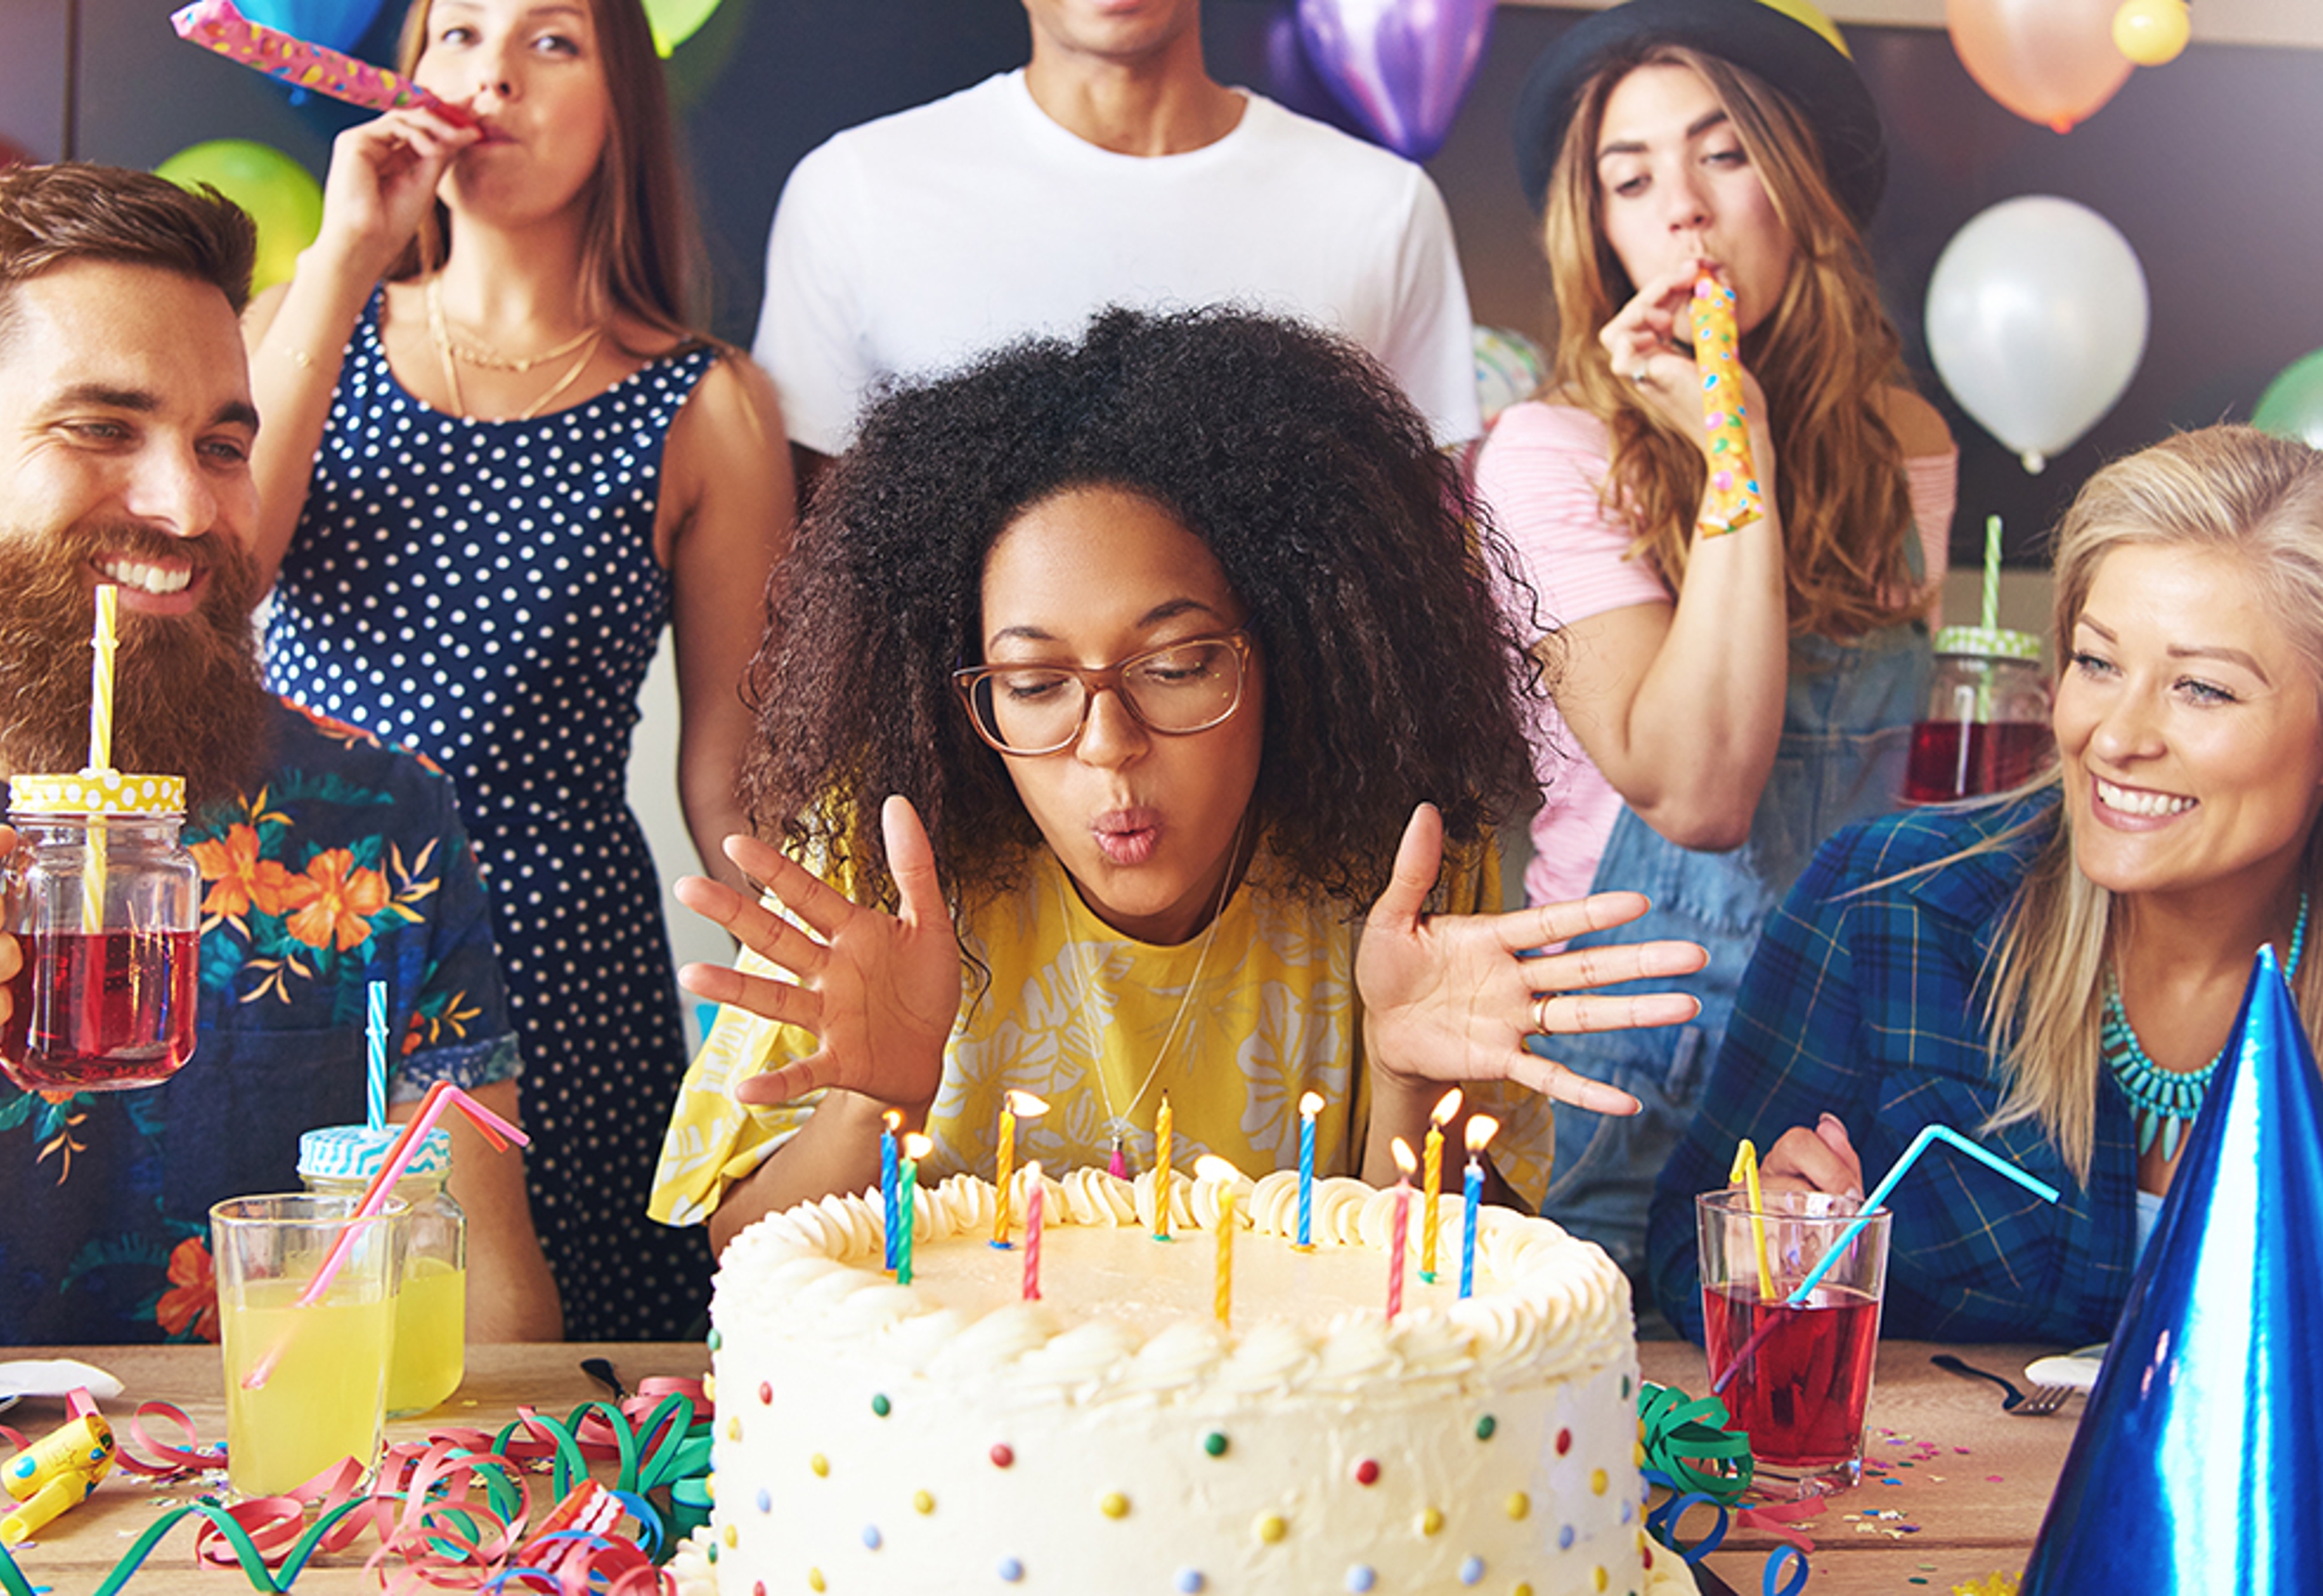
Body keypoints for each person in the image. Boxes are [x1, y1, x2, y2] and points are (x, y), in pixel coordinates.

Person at [650, 307, 1707, 1252]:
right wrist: (872, 1106)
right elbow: (739, 1255)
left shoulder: (1404, 860)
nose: (1107, 743)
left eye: (1176, 666)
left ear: (1290, 650)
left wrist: (1411, 1085)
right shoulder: (883, 852)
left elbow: (1442, 1314)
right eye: (1033, 684)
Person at [0, 163, 560, 1346]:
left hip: (260, 1517)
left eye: (221, 446)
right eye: (102, 428)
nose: (188, 509)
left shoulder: (377, 822)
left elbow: (490, 1305)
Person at [1643, 426, 2323, 1345]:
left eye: (2201, 689)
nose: (2114, 737)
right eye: (2097, 662)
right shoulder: (1886, 902)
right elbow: (1685, 1252)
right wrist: (1772, 1253)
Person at [243, 0, 796, 1339]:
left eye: (551, 41)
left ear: (624, 103)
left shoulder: (709, 404)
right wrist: (342, 256)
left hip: (565, 964)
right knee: (282, 1364)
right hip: (292, 938)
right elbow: (223, 585)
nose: (492, 71)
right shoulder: (300, 316)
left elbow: (734, 770)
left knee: (559, 1413)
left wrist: (801, 1016)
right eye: (459, 33)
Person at [1476, 0, 1957, 1329]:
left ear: (1799, 185)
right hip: (1621, 1058)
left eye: (1723, 153)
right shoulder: (1546, 454)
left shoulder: (1903, 439)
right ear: (1604, 232)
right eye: (1630, 180)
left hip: (1834, 1051)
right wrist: (1730, 435)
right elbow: (1699, 792)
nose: (1681, 209)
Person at [751, 0, 1481, 480]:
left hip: (1300, 714)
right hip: (956, 709)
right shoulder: (858, 189)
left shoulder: (1380, 203)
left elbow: (1430, 548)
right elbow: (809, 567)